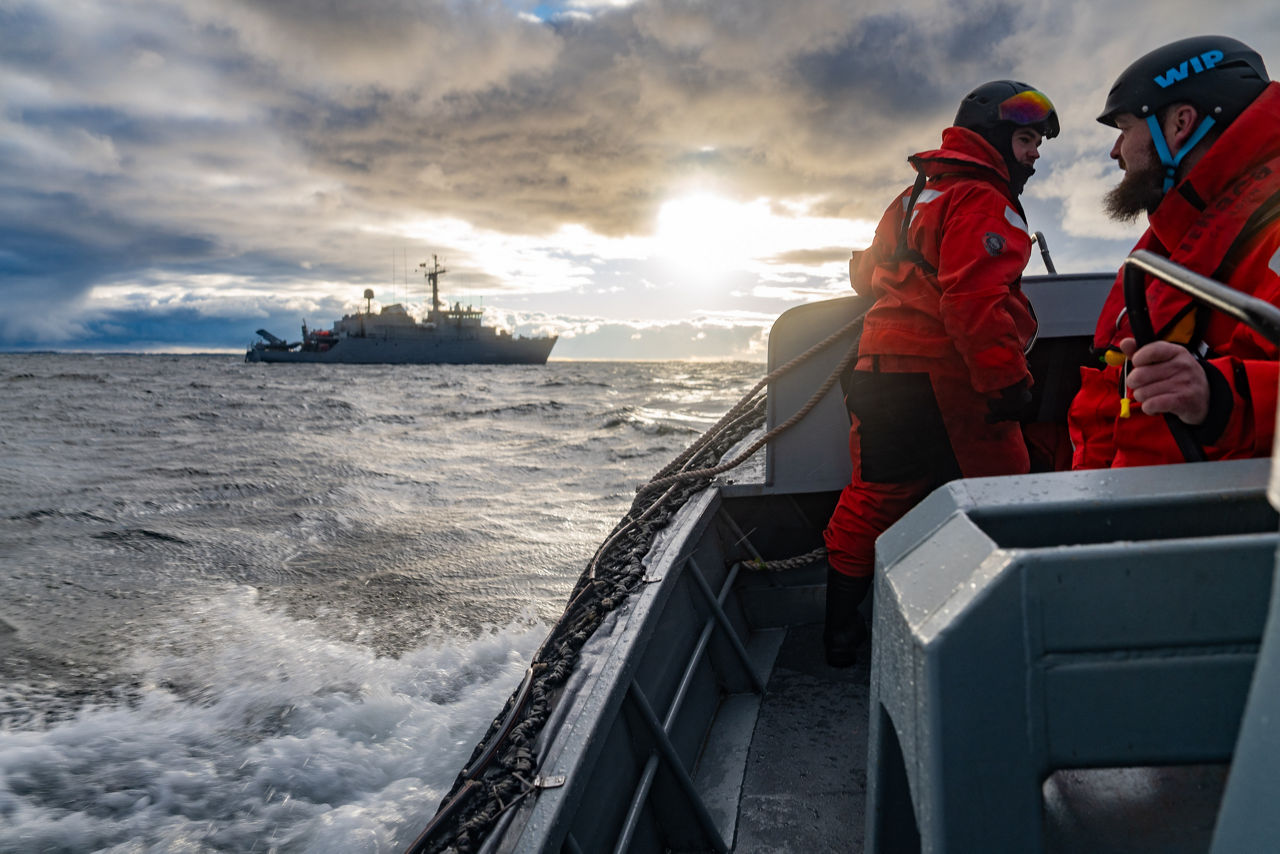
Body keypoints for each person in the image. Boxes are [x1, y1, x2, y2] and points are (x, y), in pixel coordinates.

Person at [822, 80, 1059, 666]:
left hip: (877, 369)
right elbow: (973, 300)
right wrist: (1008, 384)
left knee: (873, 498)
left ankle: (839, 635)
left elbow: (866, 279)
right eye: (1027, 140)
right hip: (943, 374)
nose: (1034, 154)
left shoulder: (910, 197)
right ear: (994, 139)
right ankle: (1003, 633)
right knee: (1004, 485)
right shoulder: (984, 199)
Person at [1069, 35, 1280, 469]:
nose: (1115, 152)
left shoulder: (1267, 231)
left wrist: (1219, 396)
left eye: (1125, 128)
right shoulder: (1176, 243)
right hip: (1138, 513)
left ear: (1181, 123)